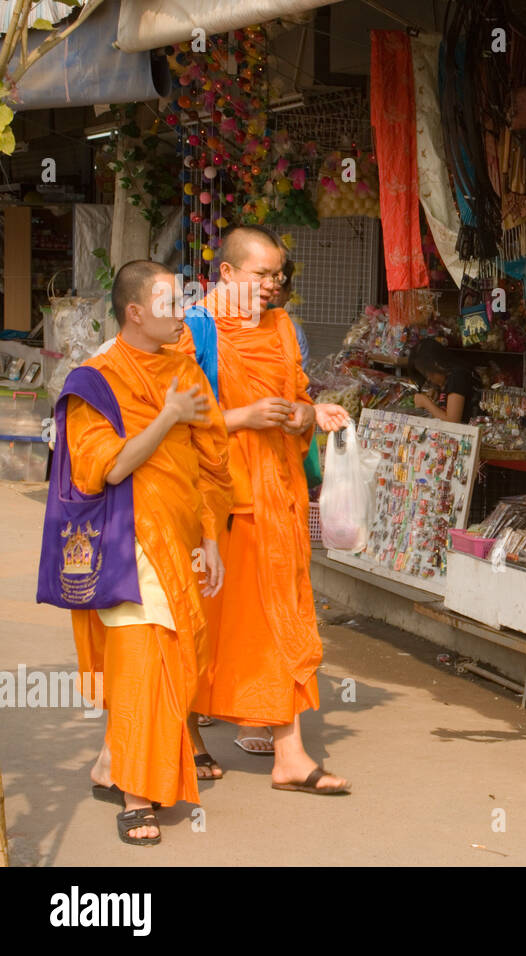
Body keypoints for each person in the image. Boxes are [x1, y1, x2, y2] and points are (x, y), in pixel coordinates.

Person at [57, 260, 232, 844]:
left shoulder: (186, 371)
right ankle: (136, 794)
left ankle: (114, 761)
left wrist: (210, 536)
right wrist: (168, 417)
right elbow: (107, 468)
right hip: (127, 543)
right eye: (169, 303)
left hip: (180, 539)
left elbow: (212, 461)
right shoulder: (94, 380)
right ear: (135, 312)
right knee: (140, 666)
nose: (181, 312)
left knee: (179, 663)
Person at [178, 226, 352, 794]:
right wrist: (242, 418)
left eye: (278, 275)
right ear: (226, 273)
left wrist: (310, 415)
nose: (272, 286)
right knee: (201, 627)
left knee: (282, 617)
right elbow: (170, 421)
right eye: (261, 275)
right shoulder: (193, 331)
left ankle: (290, 754)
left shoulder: (283, 328)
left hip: (277, 499)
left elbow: (296, 398)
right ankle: (187, 734)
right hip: (216, 504)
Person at [410, 339, 474, 424]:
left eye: (427, 373)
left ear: (436, 364)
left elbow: (452, 421)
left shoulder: (457, 377)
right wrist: (437, 390)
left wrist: (426, 403)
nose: (428, 379)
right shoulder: (448, 377)